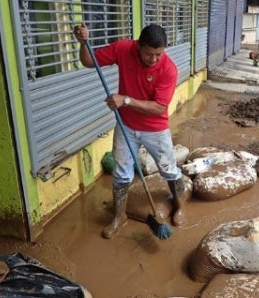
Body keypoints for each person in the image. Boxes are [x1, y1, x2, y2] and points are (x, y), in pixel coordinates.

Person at [74, 23, 186, 238]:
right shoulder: (123, 49)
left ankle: (179, 206)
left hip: (155, 128)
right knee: (121, 173)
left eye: (158, 54)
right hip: (126, 124)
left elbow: (159, 108)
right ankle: (119, 216)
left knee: (168, 169)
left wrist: (125, 100)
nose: (153, 59)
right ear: (138, 46)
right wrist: (82, 43)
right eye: (148, 54)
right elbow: (89, 61)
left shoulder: (168, 69)